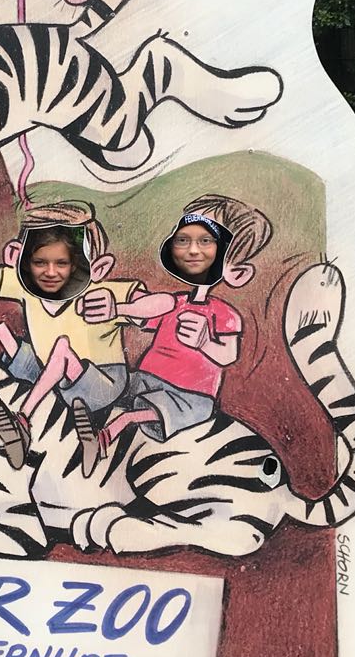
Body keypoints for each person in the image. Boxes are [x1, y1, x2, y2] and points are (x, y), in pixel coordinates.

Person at [0, 169, 140, 465]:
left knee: (62, 348)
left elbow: (161, 305)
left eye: (64, 263)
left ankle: (22, 421)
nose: (50, 273)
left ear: (97, 268)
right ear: (17, 257)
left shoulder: (103, 293)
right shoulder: (29, 288)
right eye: (39, 262)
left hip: (102, 384)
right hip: (48, 369)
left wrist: (121, 309)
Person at [81, 195, 273, 474]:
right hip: (146, 378)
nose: (191, 251)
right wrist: (118, 309)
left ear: (237, 273)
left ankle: (108, 434)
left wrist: (205, 342)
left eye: (206, 242)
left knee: (152, 410)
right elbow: (146, 309)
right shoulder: (175, 302)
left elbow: (228, 355)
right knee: (113, 386)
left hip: (189, 394)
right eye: (183, 239)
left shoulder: (225, 314)